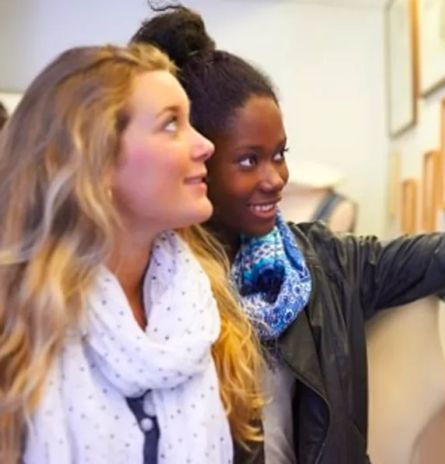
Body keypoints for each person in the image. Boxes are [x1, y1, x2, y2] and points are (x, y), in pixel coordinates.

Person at [133, 7, 445, 463]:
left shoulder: (326, 263)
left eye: (280, 154)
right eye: (249, 160)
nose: (275, 178)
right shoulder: (162, 289)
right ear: (200, 158)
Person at [0, 43, 264, 463]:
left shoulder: (202, 314)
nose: (204, 145)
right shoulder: (16, 327)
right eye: (171, 124)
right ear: (98, 160)